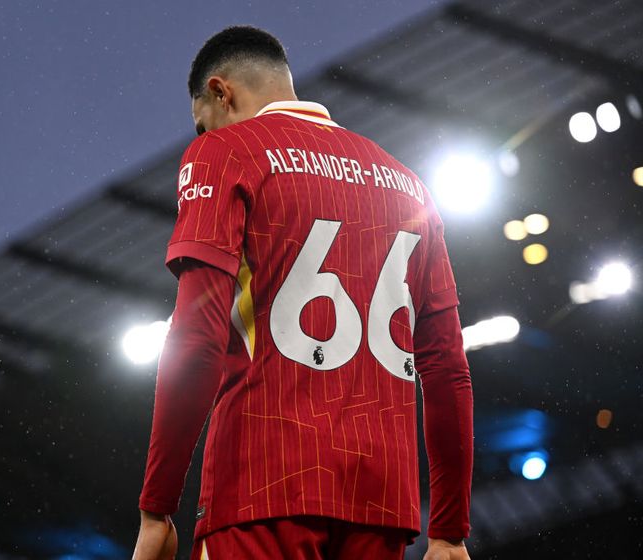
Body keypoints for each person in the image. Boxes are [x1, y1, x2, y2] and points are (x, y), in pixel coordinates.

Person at [133, 25, 473, 560]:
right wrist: (449, 529)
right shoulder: (410, 186)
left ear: (221, 93)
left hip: (261, 485)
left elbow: (197, 338)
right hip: (382, 504)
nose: (202, 137)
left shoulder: (224, 152)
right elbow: (448, 366)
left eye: (202, 125)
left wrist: (157, 507)